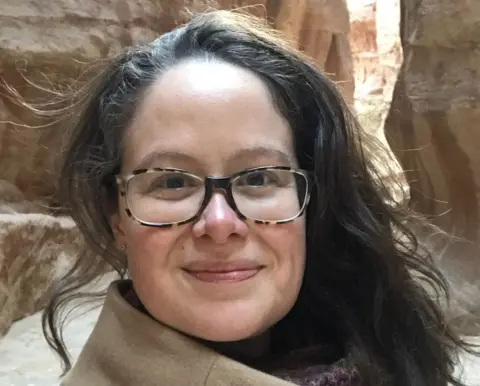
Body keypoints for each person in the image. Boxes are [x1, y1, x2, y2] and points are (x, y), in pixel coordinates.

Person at [40, 10, 476, 386]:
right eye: (172, 182)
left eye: (260, 177)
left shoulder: (375, 350)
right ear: (117, 218)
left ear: (312, 201)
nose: (219, 222)